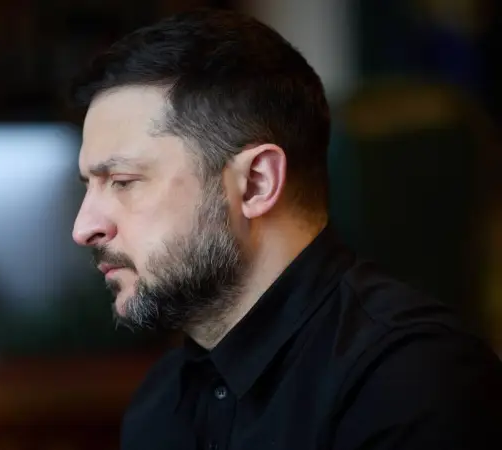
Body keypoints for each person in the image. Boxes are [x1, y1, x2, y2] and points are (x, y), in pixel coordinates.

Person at [69, 9, 502, 450]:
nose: (84, 228)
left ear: (257, 183)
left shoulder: (410, 381)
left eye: (122, 182)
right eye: (89, 186)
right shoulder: (159, 405)